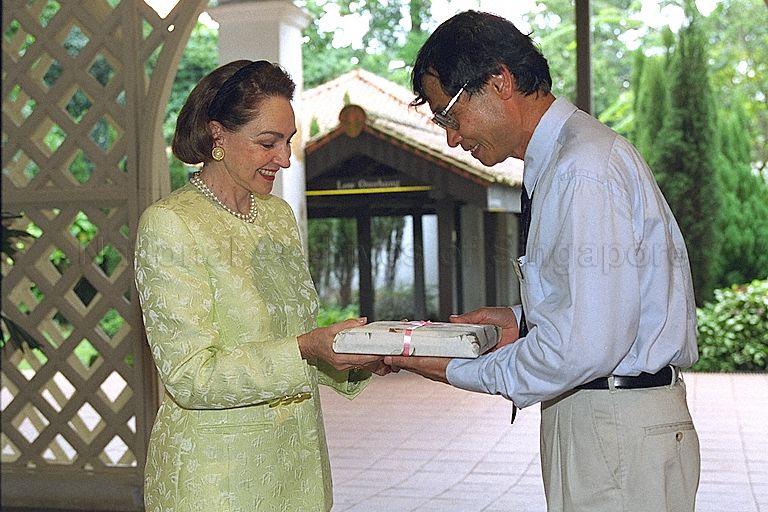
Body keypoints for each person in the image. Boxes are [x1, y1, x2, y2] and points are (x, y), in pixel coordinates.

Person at [385, 11, 701, 512]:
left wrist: (456, 369)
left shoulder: (582, 170)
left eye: (450, 114)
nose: (451, 137)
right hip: (603, 420)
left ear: (499, 81)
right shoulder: (565, 160)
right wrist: (521, 320)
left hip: (614, 425)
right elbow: (603, 302)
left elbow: (582, 347)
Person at [134, 60, 387, 512]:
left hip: (298, 476)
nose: (285, 158)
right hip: (216, 485)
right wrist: (307, 348)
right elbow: (191, 376)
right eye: (267, 142)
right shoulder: (170, 224)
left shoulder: (277, 218)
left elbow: (295, 335)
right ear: (217, 136)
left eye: (288, 141)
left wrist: (361, 357)